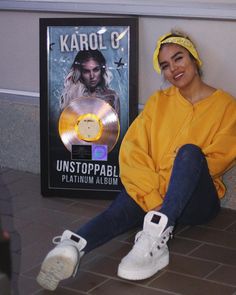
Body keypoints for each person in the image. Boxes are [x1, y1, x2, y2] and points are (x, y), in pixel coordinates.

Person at [37, 29, 236, 290]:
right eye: (165, 65)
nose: (173, 69)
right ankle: (73, 245)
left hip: (196, 202)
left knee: (189, 152)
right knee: (119, 211)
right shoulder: (158, 102)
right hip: (151, 194)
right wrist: (152, 196)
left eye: (179, 58)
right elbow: (132, 150)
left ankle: (154, 239)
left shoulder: (226, 106)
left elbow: (218, 158)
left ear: (194, 58)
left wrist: (159, 191)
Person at [60, 49, 120, 117]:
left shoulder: (112, 97)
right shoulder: (70, 97)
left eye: (96, 70)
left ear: (102, 70)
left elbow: (115, 126)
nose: (92, 76)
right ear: (80, 73)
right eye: (86, 71)